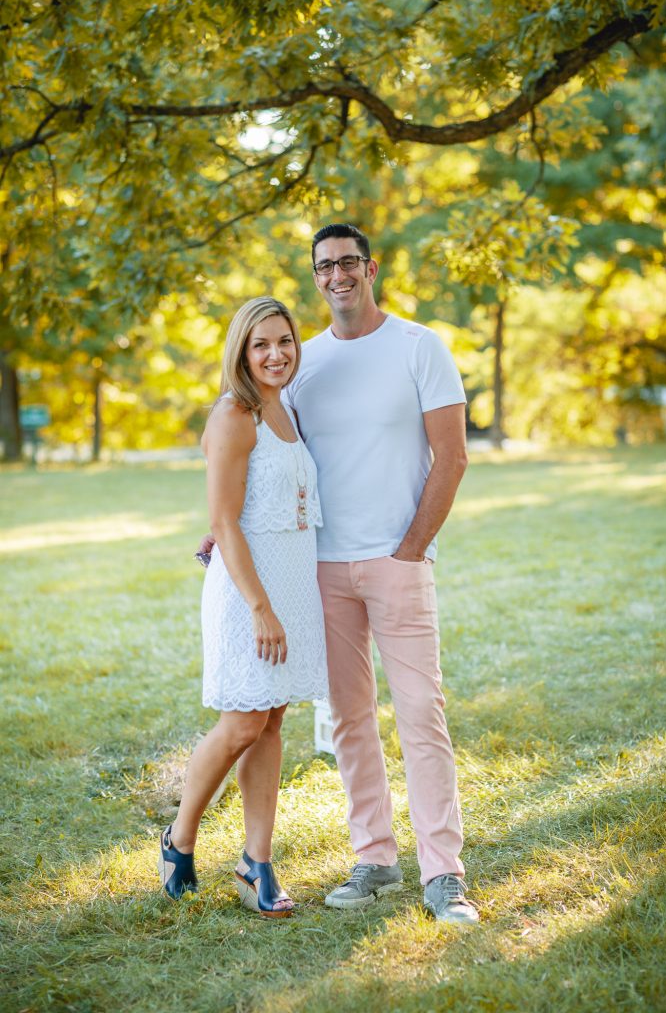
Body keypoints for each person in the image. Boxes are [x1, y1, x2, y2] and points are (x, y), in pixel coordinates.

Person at [201, 225, 477, 925]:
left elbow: (451, 457)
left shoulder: (421, 347)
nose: (337, 274)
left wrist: (411, 547)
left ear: (370, 267)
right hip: (320, 569)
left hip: (398, 561)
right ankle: (375, 858)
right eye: (324, 265)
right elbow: (268, 459)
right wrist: (219, 524)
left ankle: (442, 873)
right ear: (316, 276)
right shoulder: (303, 364)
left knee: (420, 714)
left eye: (348, 261)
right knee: (348, 719)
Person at [159, 296, 327, 917]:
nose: (276, 354)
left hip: (292, 583)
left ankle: (256, 861)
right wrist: (260, 607)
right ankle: (179, 840)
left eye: (284, 341)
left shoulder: (286, 407)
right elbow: (224, 523)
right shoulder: (235, 413)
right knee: (241, 723)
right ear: (242, 352)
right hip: (248, 590)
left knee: (272, 722)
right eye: (262, 345)